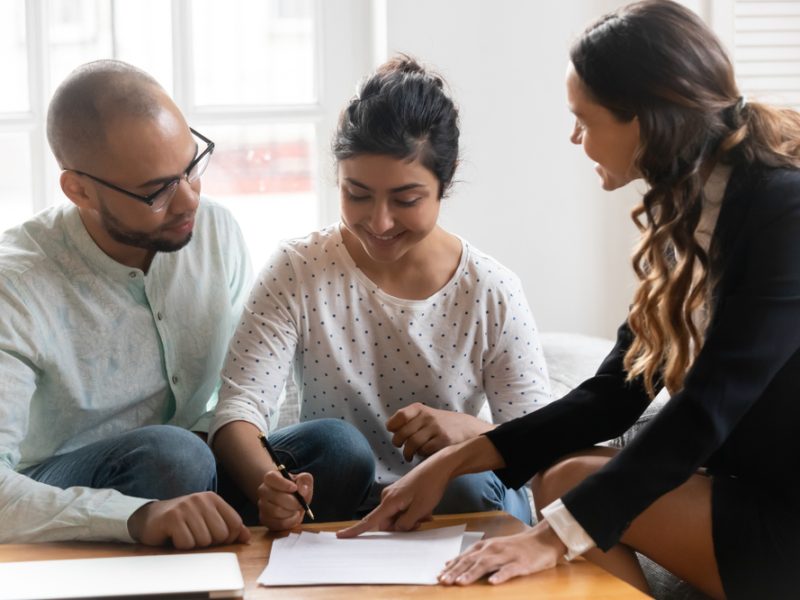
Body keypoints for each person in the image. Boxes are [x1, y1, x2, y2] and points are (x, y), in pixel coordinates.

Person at [338, 2, 800, 599]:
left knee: (566, 489)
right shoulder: (686, 218)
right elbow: (612, 397)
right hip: (746, 491)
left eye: (584, 118)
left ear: (643, 119)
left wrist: (549, 540)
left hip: (787, 517)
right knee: (562, 476)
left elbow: (711, 405)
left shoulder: (781, 209)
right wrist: (451, 462)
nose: (574, 136)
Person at [210, 56, 551, 531]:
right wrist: (269, 483)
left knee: (462, 479)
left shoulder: (491, 290)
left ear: (444, 179)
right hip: (336, 497)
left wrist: (469, 432)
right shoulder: (299, 268)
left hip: (453, 503)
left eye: (406, 200)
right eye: (358, 194)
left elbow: (544, 443)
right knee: (338, 446)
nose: (380, 222)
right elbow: (238, 408)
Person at [0, 60, 253, 548]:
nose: (189, 202)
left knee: (334, 448)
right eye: (157, 190)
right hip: (70, 489)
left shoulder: (216, 230)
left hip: (196, 469)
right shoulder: (16, 285)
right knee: (175, 457)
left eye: (191, 167)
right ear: (80, 190)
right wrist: (134, 517)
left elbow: (243, 387)